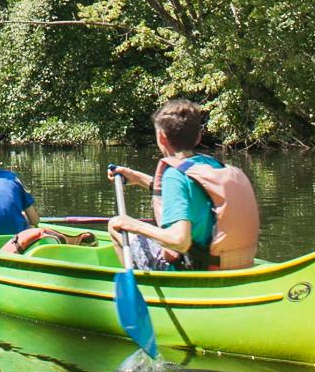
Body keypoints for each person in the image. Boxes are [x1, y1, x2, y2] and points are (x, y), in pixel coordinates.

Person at [108, 99, 260, 271]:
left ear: (161, 137)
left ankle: (144, 288)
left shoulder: (174, 175)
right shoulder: (211, 165)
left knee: (115, 225)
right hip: (234, 264)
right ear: (198, 136)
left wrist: (132, 224)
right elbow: (188, 194)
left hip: (195, 269)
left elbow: (180, 241)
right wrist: (135, 177)